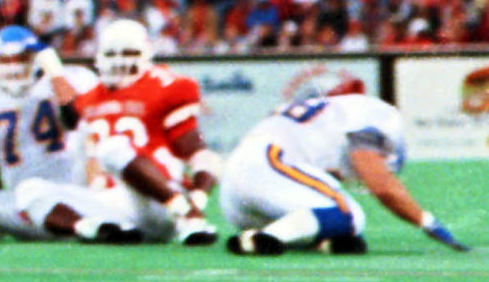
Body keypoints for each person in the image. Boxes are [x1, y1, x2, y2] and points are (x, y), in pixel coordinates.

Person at [0, 27, 138, 243]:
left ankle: (89, 226)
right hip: (25, 206)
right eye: (5, 60)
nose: (13, 67)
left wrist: (56, 73)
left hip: (79, 198)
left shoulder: (67, 81)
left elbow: (76, 119)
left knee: (86, 138)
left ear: (37, 59)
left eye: (21, 58)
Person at [221, 81, 468, 256]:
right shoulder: (381, 117)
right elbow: (382, 187)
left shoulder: (330, 118)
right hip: (269, 164)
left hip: (236, 195)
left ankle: (286, 238)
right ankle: (266, 238)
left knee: (334, 221)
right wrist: (427, 222)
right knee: (349, 215)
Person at [60, 18, 219, 246]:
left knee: (112, 147)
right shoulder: (87, 100)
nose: (119, 62)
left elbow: (200, 155)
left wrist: (197, 200)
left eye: (128, 53)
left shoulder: (166, 86)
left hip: (156, 201)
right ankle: (103, 230)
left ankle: (184, 214)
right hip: (113, 203)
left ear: (145, 54)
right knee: (30, 189)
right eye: (111, 54)